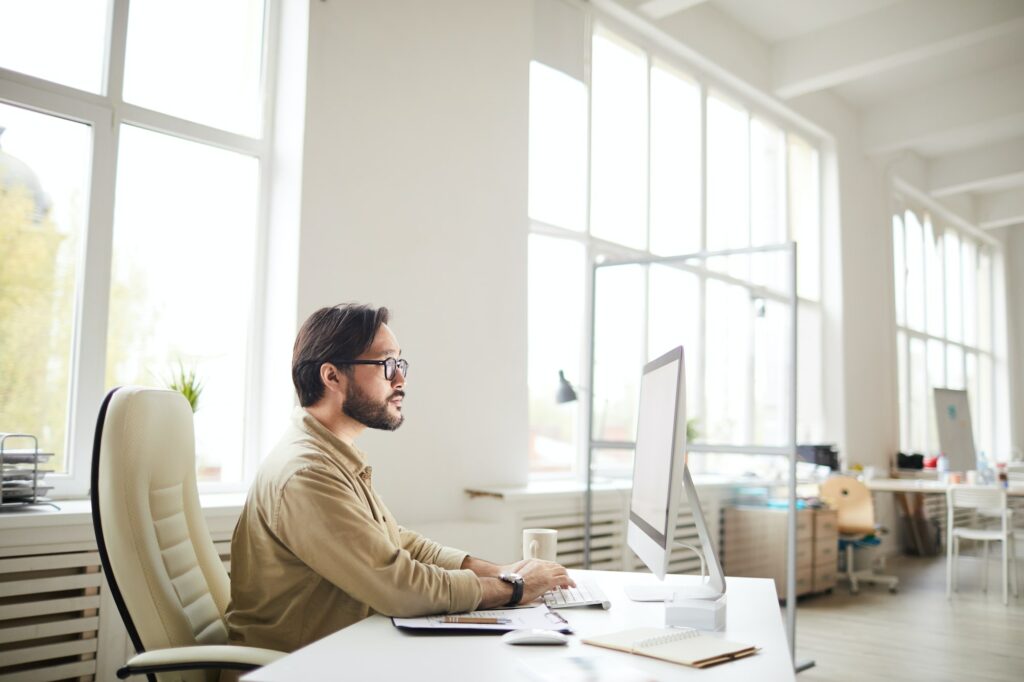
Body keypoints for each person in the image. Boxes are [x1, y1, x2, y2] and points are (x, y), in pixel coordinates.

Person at [225, 304, 574, 653]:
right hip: (293, 671)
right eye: (386, 364)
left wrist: (498, 571)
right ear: (331, 377)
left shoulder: (330, 456)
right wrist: (514, 588)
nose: (400, 379)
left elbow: (399, 544)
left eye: (400, 364)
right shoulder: (307, 474)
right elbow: (400, 586)